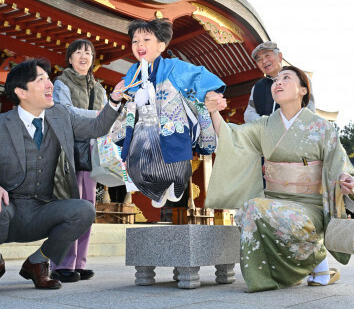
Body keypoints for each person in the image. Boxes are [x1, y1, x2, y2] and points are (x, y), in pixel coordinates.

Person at [205, 66, 354, 292]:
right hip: (274, 200)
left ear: (303, 90)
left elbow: (338, 161)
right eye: (275, 80)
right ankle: (275, 275)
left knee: (258, 209)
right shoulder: (265, 125)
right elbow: (231, 136)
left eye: (286, 78)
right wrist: (214, 111)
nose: (278, 83)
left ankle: (317, 258)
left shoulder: (322, 126)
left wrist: (345, 179)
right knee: (249, 209)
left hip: (309, 206)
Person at [0, 59, 122, 289]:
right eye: (41, 80)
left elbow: (96, 128)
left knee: (84, 210)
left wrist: (114, 100)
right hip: (8, 211)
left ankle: (37, 262)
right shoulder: (2, 124)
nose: (50, 85)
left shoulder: (60, 116)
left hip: (43, 209)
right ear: (21, 92)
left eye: (48, 78)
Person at [111, 18, 225, 207]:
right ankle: (155, 191)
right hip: (143, 127)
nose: (139, 44)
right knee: (137, 165)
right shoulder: (132, 72)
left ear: (161, 46)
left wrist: (211, 91)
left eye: (146, 40)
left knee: (176, 162)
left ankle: (177, 185)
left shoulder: (175, 67)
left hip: (171, 123)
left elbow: (199, 75)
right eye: (135, 41)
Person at [49, 39, 107, 283]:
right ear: (69, 57)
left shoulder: (100, 89)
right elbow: (64, 111)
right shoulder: (62, 82)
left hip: (91, 153)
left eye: (89, 53)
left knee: (88, 208)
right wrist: (97, 116)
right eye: (78, 52)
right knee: (68, 208)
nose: (84, 56)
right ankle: (61, 263)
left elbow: (108, 118)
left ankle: (79, 263)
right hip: (67, 152)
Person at [244, 41, 315, 122]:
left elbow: (310, 109)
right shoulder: (257, 87)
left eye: (267, 55)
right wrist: (266, 124)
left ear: (280, 57)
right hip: (264, 133)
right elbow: (248, 114)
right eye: (259, 60)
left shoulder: (299, 77)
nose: (264, 61)